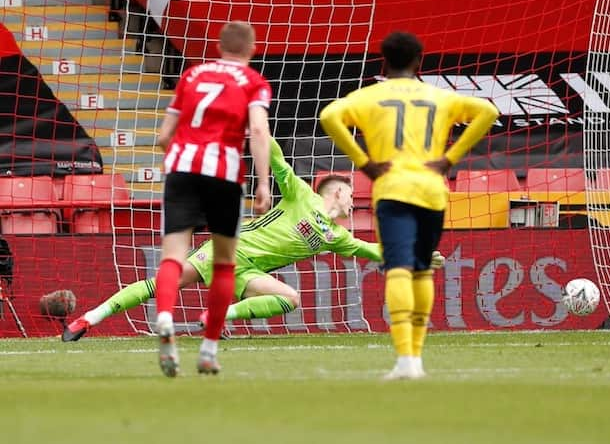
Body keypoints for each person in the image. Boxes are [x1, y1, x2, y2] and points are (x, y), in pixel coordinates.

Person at [60, 137, 410, 342]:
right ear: (336, 193)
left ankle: (219, 315)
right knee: (162, 283)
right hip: (228, 250)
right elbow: (277, 160)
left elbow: (373, 250)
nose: (354, 200)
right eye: (349, 194)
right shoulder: (301, 195)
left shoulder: (338, 236)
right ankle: (89, 317)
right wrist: (257, 127)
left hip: (248, 270)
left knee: (290, 298)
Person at [320, 31, 498, 380]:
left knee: (398, 270)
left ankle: (406, 361)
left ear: (383, 61)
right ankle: (415, 359)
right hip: (433, 191)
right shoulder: (438, 97)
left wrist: (363, 161)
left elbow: (329, 117)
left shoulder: (369, 96)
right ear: (419, 60)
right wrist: (450, 159)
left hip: (393, 190)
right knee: (421, 270)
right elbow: (488, 111)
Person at [152, 20, 273, 377]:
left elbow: (163, 136)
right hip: (224, 173)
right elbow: (258, 130)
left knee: (173, 255)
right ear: (252, 49)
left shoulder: (191, 76)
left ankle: (163, 317)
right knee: (223, 264)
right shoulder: (254, 83)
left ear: (220, 47)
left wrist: (178, 160)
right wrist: (263, 183)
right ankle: (208, 349)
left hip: (182, 168)